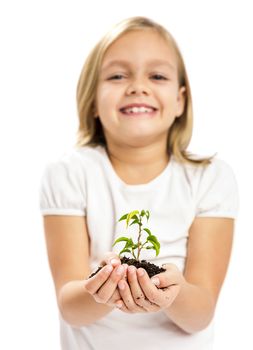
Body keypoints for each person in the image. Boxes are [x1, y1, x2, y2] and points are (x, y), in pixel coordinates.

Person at [39, 16, 239, 350]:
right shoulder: (70, 173)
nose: (138, 87)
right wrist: (102, 289)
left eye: (157, 75)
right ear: (92, 101)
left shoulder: (210, 178)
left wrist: (173, 295)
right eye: (117, 76)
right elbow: (70, 307)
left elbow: (200, 313)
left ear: (180, 100)